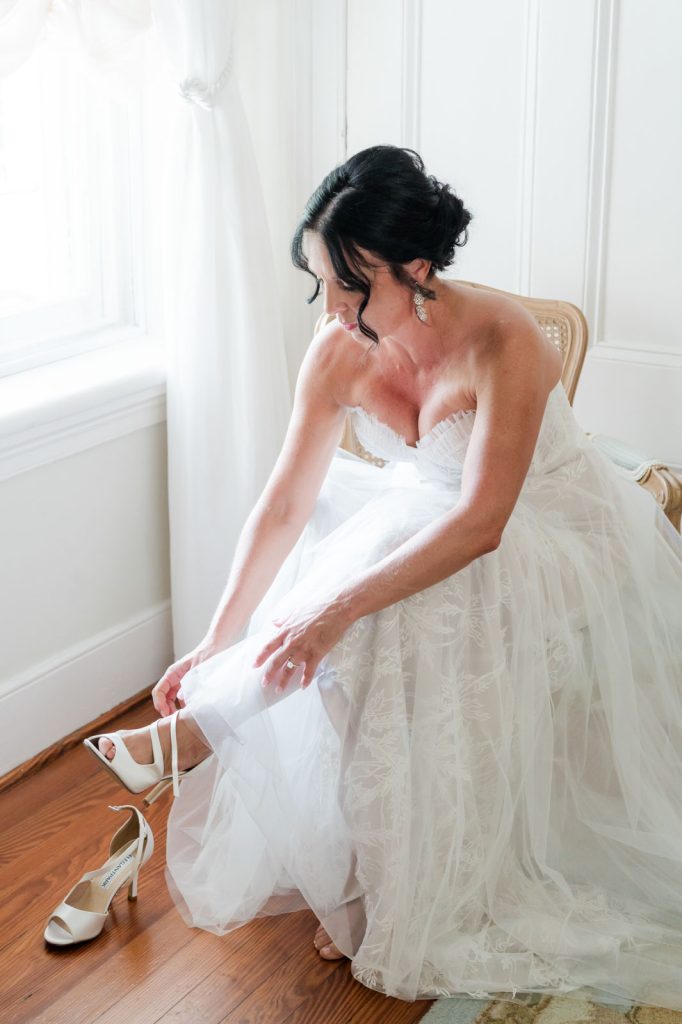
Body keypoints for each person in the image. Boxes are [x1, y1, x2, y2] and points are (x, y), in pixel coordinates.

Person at [87, 145, 682, 1008]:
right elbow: (283, 504)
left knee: (371, 605)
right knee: (346, 551)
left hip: (546, 522)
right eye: (321, 281)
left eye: (350, 285)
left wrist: (335, 612)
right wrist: (216, 639)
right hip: (435, 512)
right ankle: (364, 864)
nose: (332, 308)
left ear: (417, 268)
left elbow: (483, 523)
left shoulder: (503, 339)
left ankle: (250, 781)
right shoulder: (337, 350)